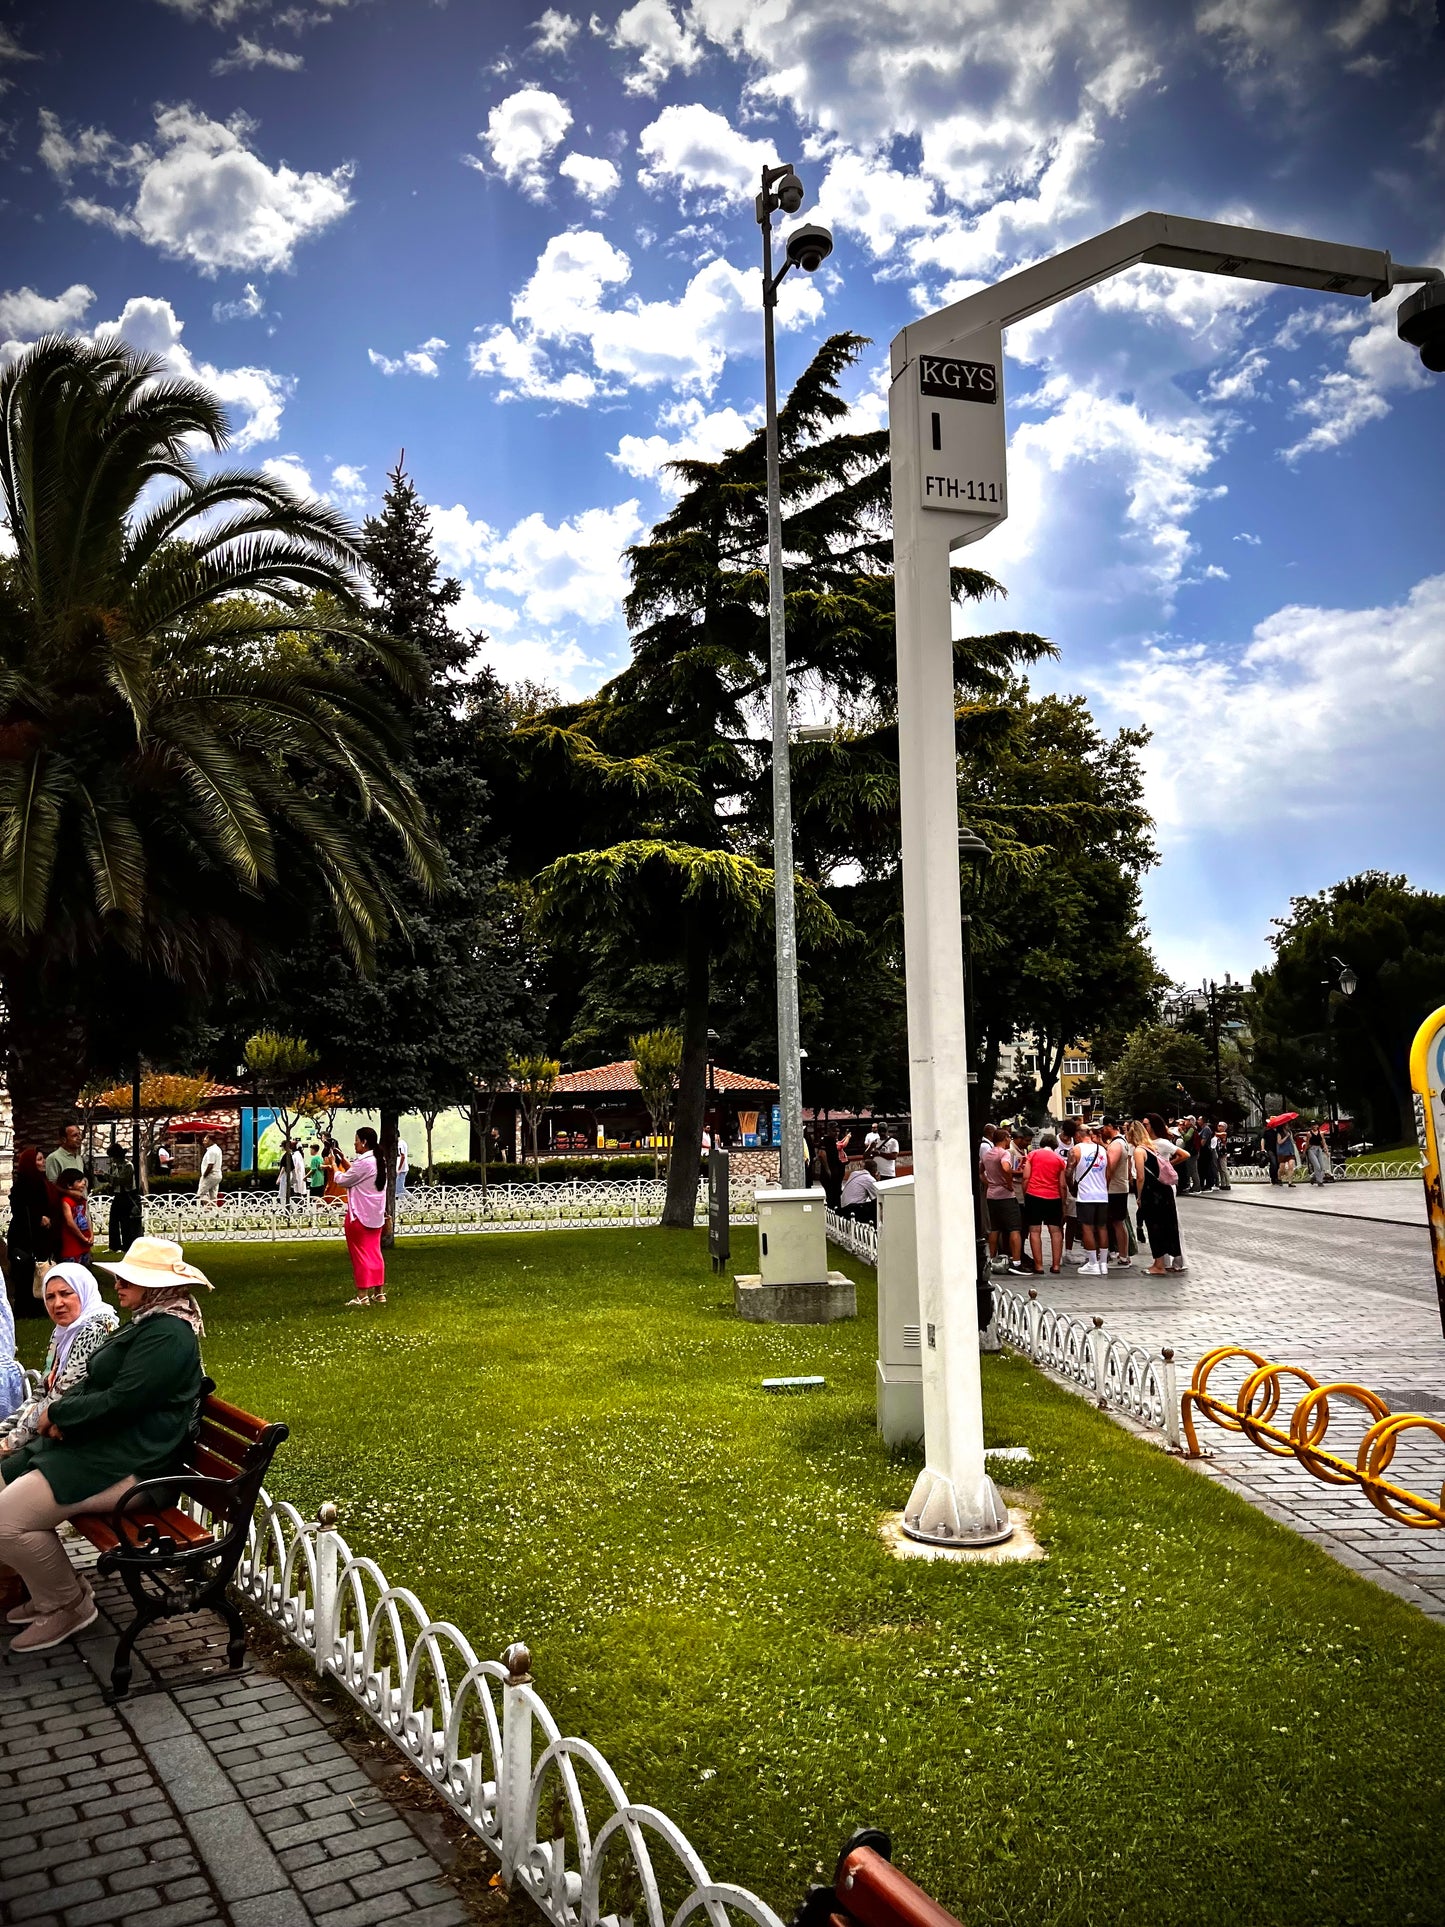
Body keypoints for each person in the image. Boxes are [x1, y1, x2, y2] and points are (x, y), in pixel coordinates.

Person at [0, 1236, 208, 1653]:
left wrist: (59, 1416)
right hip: (109, 1450)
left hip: (139, 1464)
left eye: (130, 1278)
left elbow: (122, 1402)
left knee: (6, 1521)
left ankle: (67, 1605)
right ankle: (54, 1590)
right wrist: (59, 1416)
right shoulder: (150, 1322)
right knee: (3, 1481)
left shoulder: (168, 1335)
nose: (118, 1283)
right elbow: (95, 1384)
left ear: (156, 1285)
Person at [1, 1265, 119, 1453]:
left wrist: (10, 1442)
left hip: (79, 1435)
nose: (57, 1304)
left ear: (83, 1291)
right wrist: (5, 1430)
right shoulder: (63, 1332)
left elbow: (60, 1395)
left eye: (65, 1294)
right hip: (50, 1426)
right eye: (50, 1297)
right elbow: (43, 1390)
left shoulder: (96, 1329)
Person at [330, 1128, 388, 1308]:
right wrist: (343, 1159)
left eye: (356, 1140)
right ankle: (379, 1293)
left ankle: (362, 1295)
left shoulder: (364, 1163)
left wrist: (334, 1164)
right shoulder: (378, 1160)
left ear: (363, 1142)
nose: (354, 1143)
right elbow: (356, 1174)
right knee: (375, 1253)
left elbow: (343, 1180)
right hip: (375, 1216)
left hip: (359, 1216)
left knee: (360, 1256)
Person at [1129, 1120, 1184, 1273]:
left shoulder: (1139, 1151)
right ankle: (1167, 1260)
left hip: (1152, 1193)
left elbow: (1140, 1177)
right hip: (1164, 1191)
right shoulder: (1152, 1148)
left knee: (1154, 1228)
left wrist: (1139, 1197)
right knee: (1167, 1226)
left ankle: (1158, 1265)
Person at [8, 1147, 55, 1320]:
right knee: (25, 1272)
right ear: (30, 1163)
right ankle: (24, 1309)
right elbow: (20, 1211)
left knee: (40, 1269)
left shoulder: (42, 1183)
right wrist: (38, 1218)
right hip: (24, 1236)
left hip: (40, 1236)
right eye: (39, 1159)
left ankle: (38, 1306)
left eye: (43, 1159)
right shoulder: (21, 1186)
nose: (43, 1163)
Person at [1068, 1122, 1111, 1276]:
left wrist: (1073, 1188)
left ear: (1078, 1135)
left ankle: (1092, 1262)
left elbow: (1068, 1173)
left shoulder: (1076, 1150)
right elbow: (1109, 1172)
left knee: (1087, 1228)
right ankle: (1103, 1263)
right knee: (1102, 1227)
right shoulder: (1102, 1149)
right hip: (1102, 1194)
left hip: (1086, 1195)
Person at [1022, 1131, 1067, 1274]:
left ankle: (1039, 1265)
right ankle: (1055, 1265)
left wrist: (1025, 1193)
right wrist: (1063, 1202)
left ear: (1041, 1144)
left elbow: (1026, 1177)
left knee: (1035, 1231)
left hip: (1033, 1195)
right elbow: (1062, 1185)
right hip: (1053, 1197)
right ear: (1054, 1145)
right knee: (1056, 1231)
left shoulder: (1032, 1155)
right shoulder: (1059, 1160)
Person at [981, 1127, 1025, 1275]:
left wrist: (988, 1183)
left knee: (994, 1228)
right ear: (1005, 1138)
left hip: (991, 1194)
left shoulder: (987, 1154)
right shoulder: (1004, 1153)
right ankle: (1017, 1261)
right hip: (1006, 1195)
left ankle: (992, 1259)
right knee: (1014, 1228)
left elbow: (980, 1171)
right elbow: (1006, 1168)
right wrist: (1009, 1183)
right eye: (1009, 1138)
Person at [1097, 1118, 1133, 1268]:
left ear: (1110, 1126)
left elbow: (1109, 1168)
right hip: (1119, 1187)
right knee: (1117, 1222)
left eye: (1103, 1127)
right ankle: (1123, 1255)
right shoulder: (1119, 1142)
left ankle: (1123, 1257)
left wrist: (1103, 1186)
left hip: (1114, 1189)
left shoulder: (1116, 1144)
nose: (1101, 1130)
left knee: (1117, 1222)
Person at [105, 1142, 143, 1255]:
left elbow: (123, 1180)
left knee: (126, 1222)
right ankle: (114, 1245)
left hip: (127, 1195)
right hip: (117, 1195)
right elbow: (112, 1180)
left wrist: (107, 1177)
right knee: (113, 1221)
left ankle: (126, 1246)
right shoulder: (114, 1166)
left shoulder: (128, 1166)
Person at [56, 1171, 94, 1266]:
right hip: (71, 1244)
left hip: (85, 1242)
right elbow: (70, 1222)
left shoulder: (82, 1200)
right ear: (69, 1185)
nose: (83, 1183)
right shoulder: (66, 1201)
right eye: (79, 1181)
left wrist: (91, 1235)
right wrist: (82, 1237)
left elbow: (87, 1217)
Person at [839, 1158, 880, 1226]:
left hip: (844, 1207)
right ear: (874, 1170)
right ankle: (876, 1226)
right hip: (853, 1209)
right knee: (877, 1204)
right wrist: (877, 1182)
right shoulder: (869, 1179)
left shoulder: (854, 1174)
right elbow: (877, 1196)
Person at [44, 1125, 84, 1192]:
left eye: (79, 1134)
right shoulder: (54, 1158)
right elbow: (51, 1186)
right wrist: (69, 1193)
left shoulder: (78, 1157)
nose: (79, 1138)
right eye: (75, 1135)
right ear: (64, 1139)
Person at [197, 1133, 223, 1206]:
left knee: (201, 1193)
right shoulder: (217, 1149)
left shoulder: (211, 1151)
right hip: (217, 1175)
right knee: (213, 1195)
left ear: (210, 1140)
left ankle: (208, 1209)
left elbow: (210, 1165)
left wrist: (204, 1175)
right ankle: (214, 1211)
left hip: (210, 1175)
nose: (203, 1142)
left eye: (205, 1141)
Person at [1213, 1122, 1231, 1191]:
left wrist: (1215, 1133)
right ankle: (1223, 1184)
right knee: (1220, 1169)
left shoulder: (1224, 1133)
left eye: (1220, 1126)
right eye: (1218, 1126)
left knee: (1224, 1169)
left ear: (1224, 1127)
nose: (1219, 1127)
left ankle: (1228, 1183)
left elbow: (1216, 1134)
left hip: (1223, 1153)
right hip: (1219, 1153)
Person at [394, 1135, 409, 1200]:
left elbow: (402, 1156)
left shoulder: (399, 1144)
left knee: (399, 1189)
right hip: (401, 1169)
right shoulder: (402, 1142)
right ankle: (414, 1202)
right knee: (400, 1188)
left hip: (401, 1170)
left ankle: (408, 1204)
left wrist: (399, 1169)